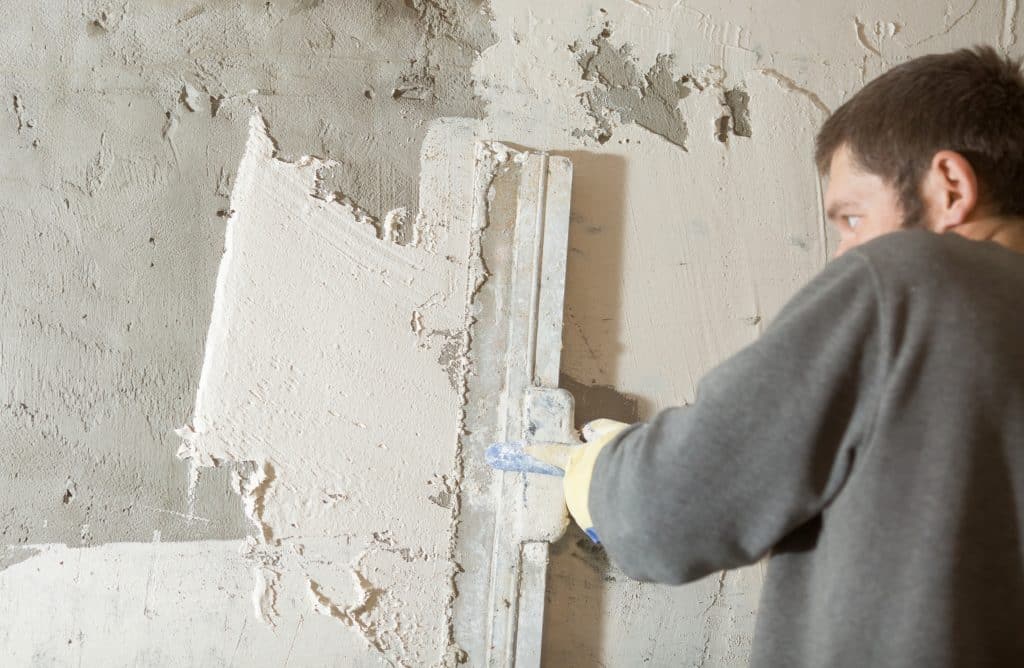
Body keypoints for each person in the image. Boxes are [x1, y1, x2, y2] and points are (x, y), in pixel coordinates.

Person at [555, 46, 1024, 666]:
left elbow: (663, 514)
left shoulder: (907, 279)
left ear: (951, 186)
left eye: (853, 218)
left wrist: (600, 474)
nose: (843, 256)